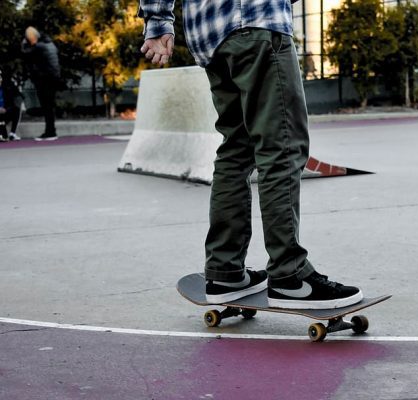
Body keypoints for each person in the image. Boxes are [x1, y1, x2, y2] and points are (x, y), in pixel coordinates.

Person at [139, 0, 362, 309]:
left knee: (235, 149)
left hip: (209, 36)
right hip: (256, 18)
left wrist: (158, 21)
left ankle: (225, 271)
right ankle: (289, 275)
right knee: (281, 147)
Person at [21, 27, 61, 141]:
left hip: (45, 79)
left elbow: (26, 53)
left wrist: (24, 44)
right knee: (49, 106)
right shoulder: (50, 44)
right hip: (52, 78)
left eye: (29, 39)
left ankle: (50, 132)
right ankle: (51, 131)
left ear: (32, 38)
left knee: (47, 106)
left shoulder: (39, 46)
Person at [0, 69, 23, 142]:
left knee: (16, 109)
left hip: (4, 112)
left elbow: (11, 102)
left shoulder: (6, 87)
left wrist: (6, 109)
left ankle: (12, 134)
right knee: (3, 137)